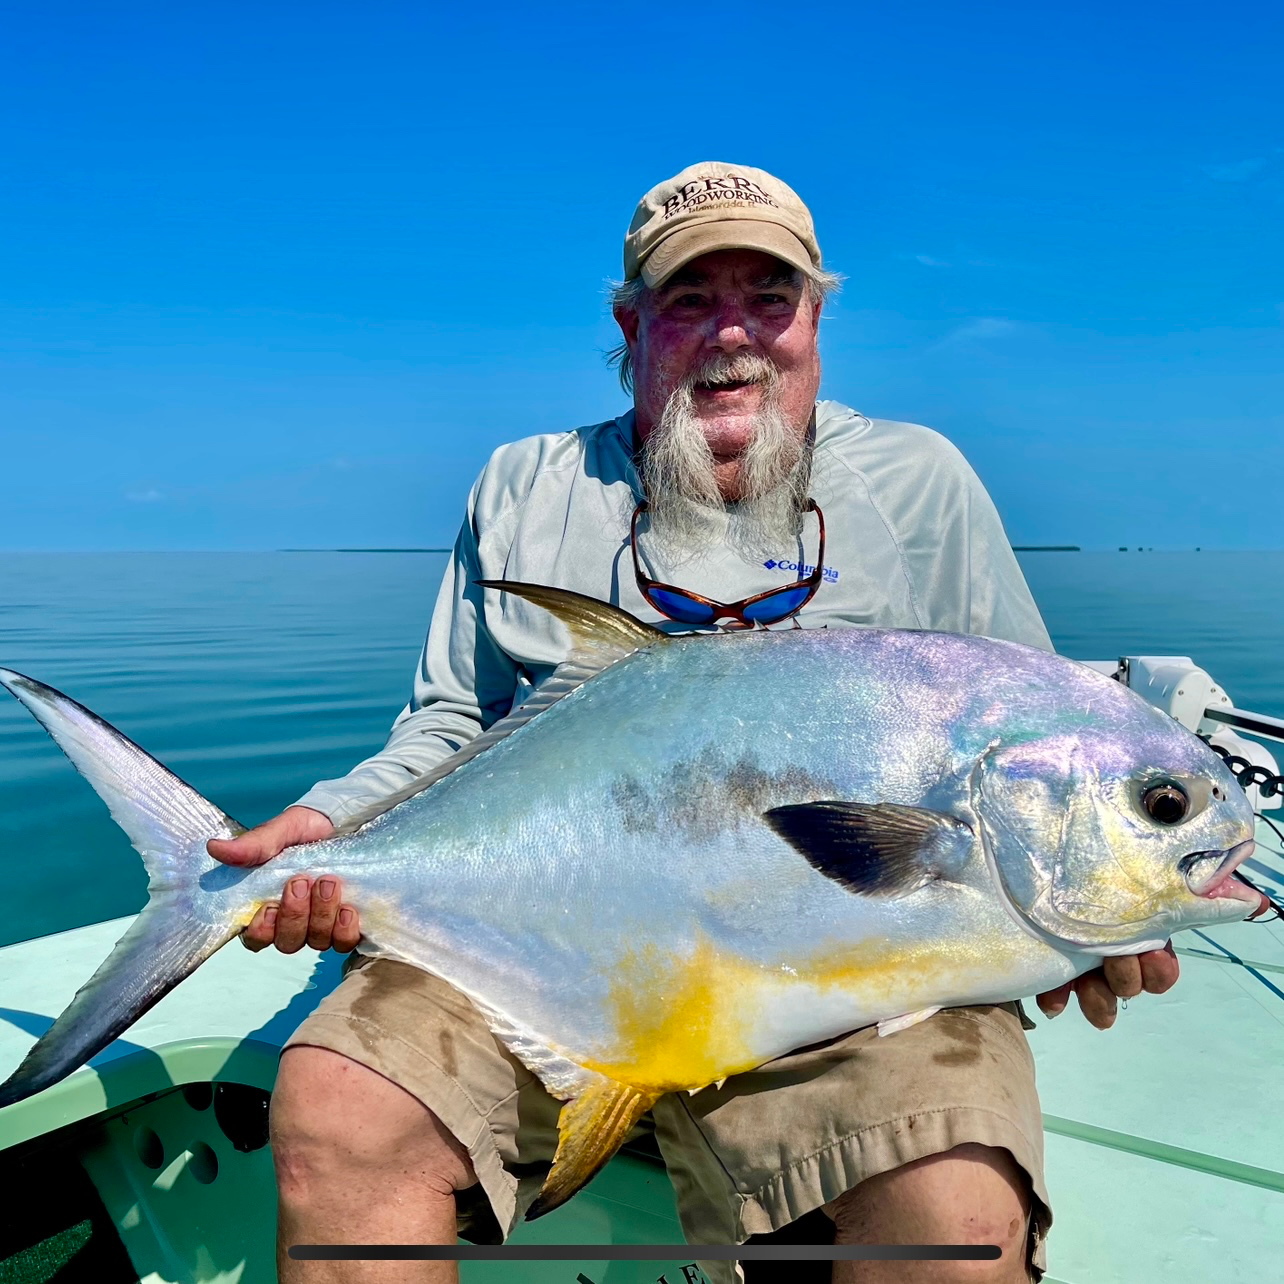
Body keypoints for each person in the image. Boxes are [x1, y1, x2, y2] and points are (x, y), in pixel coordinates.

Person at [210, 162, 1182, 1284]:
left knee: (955, 1213)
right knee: (338, 1105)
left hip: (855, 989)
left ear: (817, 314)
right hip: (544, 952)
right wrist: (332, 826)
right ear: (629, 326)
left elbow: (1042, 746)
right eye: (688, 301)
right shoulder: (528, 484)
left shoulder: (922, 485)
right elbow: (450, 726)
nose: (734, 336)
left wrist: (1077, 916)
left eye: (769, 299)